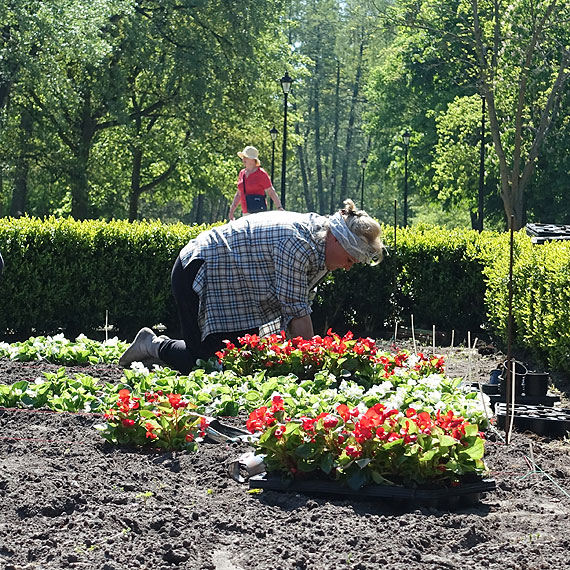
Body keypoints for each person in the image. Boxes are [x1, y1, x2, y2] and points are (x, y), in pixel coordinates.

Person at [119, 199, 384, 373]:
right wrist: (311, 369)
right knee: (203, 361)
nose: (349, 266)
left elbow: (296, 308)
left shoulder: (320, 242)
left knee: (238, 357)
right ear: (337, 240)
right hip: (198, 271)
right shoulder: (298, 244)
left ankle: (159, 353)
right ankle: (152, 344)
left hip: (233, 290)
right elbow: (296, 312)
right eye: (350, 259)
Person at [229, 146, 283, 219]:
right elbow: (239, 194)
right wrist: (232, 210)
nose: (243, 159)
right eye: (243, 157)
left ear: (253, 160)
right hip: (245, 212)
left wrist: (279, 207)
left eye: (246, 157)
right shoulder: (242, 173)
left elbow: (271, 192)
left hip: (258, 212)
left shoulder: (261, 174)